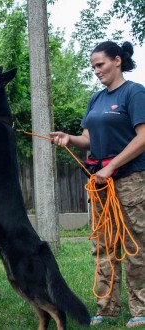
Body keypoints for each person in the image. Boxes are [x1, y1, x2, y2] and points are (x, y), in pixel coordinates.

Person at [50, 40, 145, 328]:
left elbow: (142, 137)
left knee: (135, 245)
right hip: (100, 183)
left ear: (117, 61)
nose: (96, 71)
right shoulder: (96, 99)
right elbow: (89, 139)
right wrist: (69, 139)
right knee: (103, 247)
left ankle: (140, 309)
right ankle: (107, 308)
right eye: (93, 67)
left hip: (130, 180)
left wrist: (113, 166)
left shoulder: (135, 93)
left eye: (100, 64)